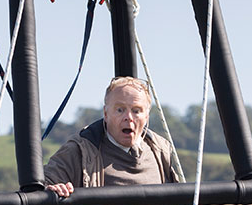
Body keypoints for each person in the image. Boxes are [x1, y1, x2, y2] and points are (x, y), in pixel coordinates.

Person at [43, 76, 180, 197]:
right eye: (120, 110)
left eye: (136, 111)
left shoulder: (161, 151)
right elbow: (41, 185)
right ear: (106, 114)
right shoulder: (80, 151)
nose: (128, 118)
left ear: (146, 117)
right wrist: (52, 190)